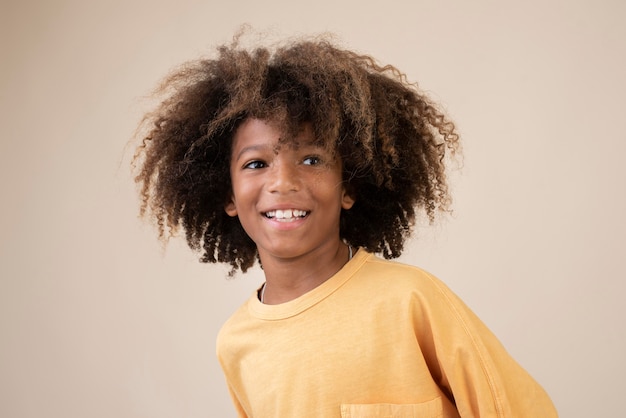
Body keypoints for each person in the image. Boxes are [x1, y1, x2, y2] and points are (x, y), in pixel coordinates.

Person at [132, 33, 558, 417]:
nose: (283, 182)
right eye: (256, 163)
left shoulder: (410, 301)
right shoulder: (236, 343)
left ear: (349, 186)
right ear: (226, 194)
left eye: (312, 159)